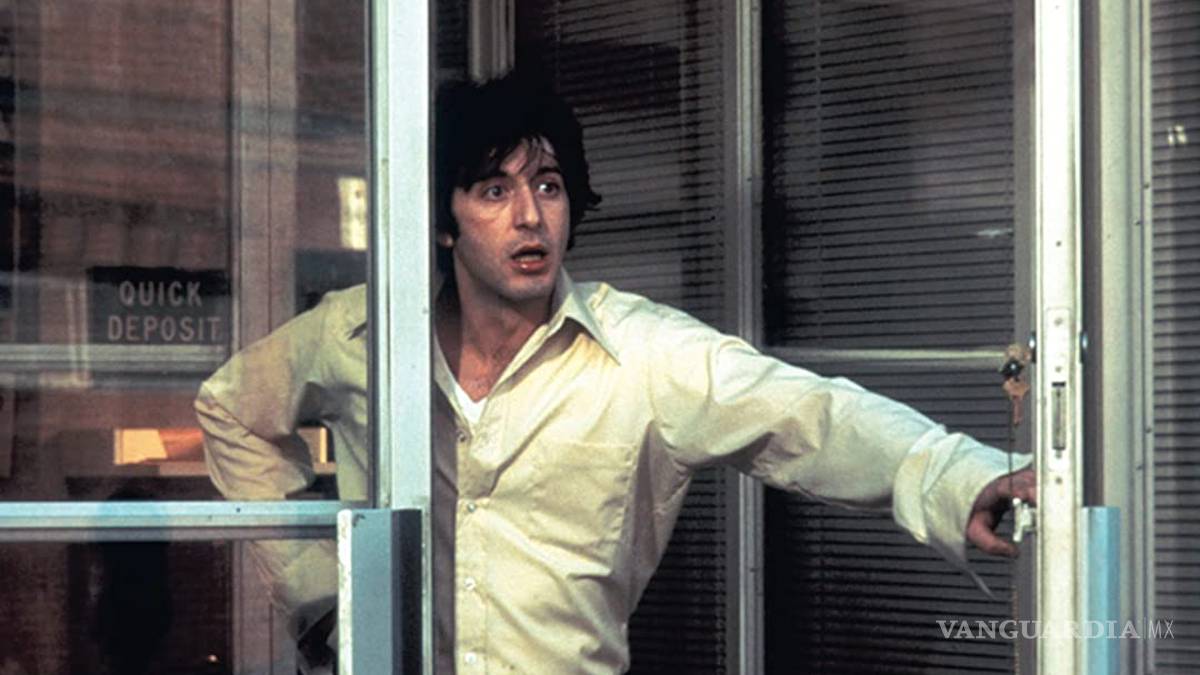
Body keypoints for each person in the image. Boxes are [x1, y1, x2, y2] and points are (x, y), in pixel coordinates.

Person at [197, 69, 1035, 674]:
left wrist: (959, 476)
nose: (531, 216)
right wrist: (320, 596)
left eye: (549, 186)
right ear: (443, 223)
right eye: (493, 190)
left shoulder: (641, 353)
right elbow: (232, 410)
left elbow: (806, 414)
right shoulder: (359, 335)